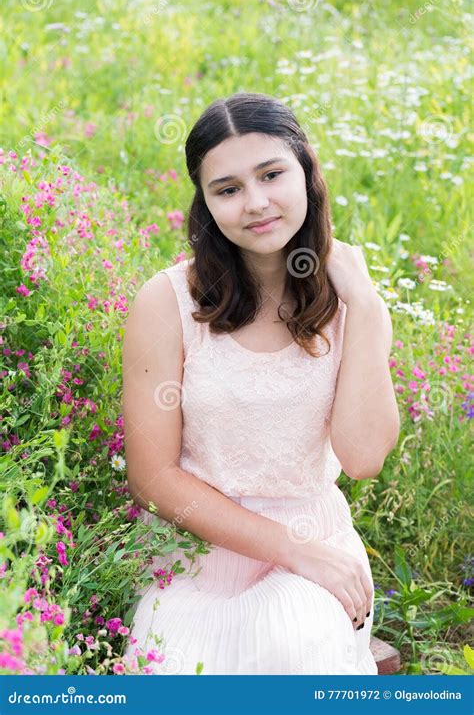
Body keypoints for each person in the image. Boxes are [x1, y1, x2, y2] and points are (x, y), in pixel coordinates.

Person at [122, 92, 400, 674]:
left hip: (316, 548)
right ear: (205, 203)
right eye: (227, 189)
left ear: (306, 170)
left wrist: (368, 311)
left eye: (272, 174)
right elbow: (152, 476)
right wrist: (291, 550)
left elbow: (364, 457)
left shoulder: (351, 300)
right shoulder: (168, 301)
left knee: (292, 651)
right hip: (198, 559)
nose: (256, 203)